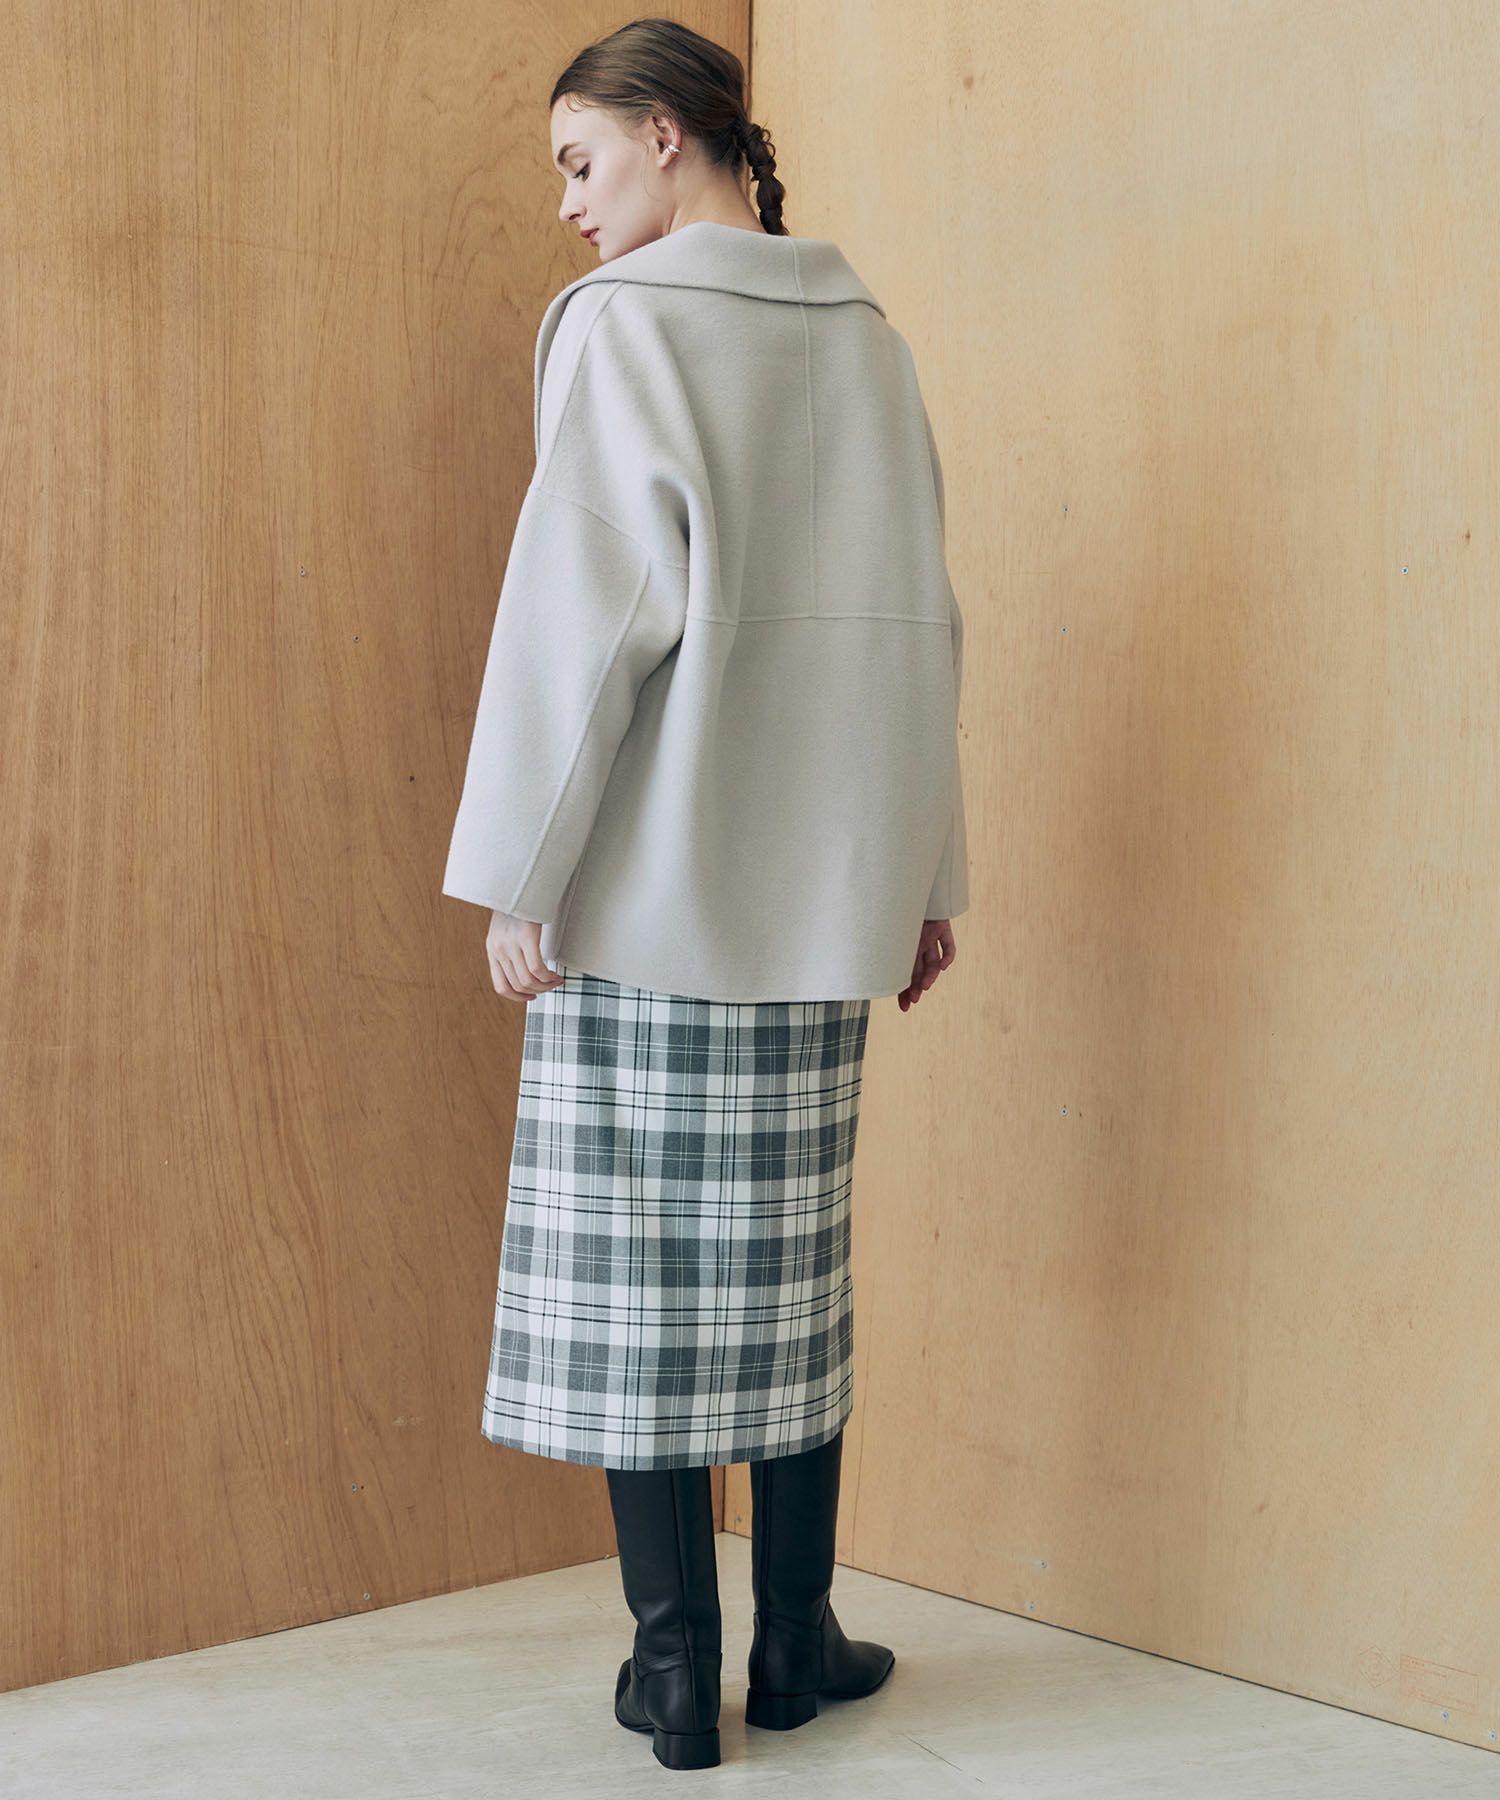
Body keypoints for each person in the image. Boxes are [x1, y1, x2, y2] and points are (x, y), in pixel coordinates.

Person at [440, 18, 970, 1772]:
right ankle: (796, 1644)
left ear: (670, 135)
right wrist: (925, 876)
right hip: (823, 911)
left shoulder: (625, 326)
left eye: (580, 161)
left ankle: (678, 1672)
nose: (570, 207)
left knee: (640, 1290)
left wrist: (521, 876)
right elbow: (923, 631)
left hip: (652, 905)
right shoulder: (869, 337)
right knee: (793, 1276)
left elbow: (578, 622)